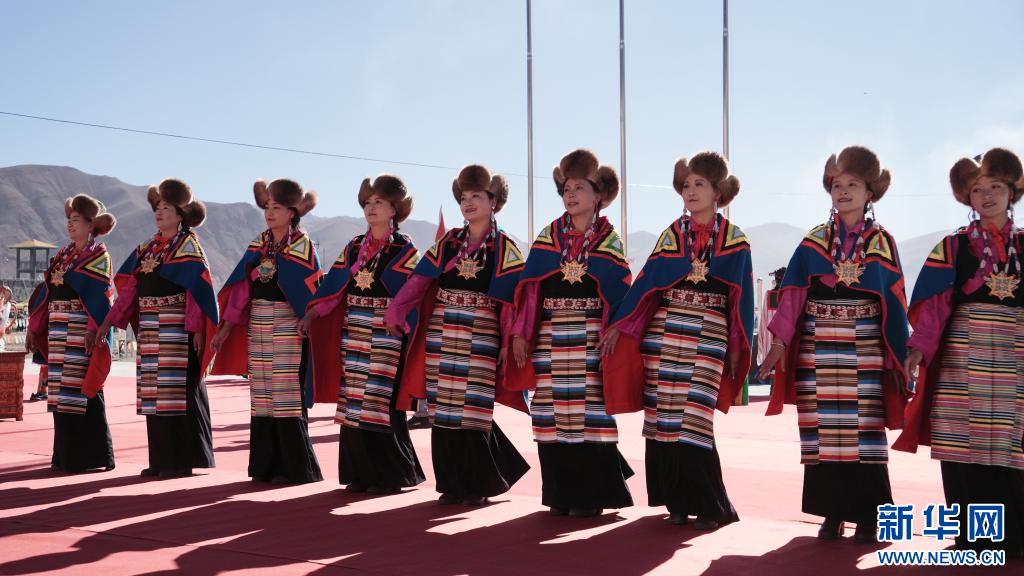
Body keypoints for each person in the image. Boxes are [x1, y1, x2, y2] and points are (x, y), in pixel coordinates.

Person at [758, 146, 909, 543]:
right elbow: (793, 294)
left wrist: (899, 355)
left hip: (865, 347)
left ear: (870, 192)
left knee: (864, 432)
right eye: (836, 184)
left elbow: (894, 302)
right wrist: (779, 344)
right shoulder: (814, 242)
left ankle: (870, 517)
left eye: (852, 184)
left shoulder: (882, 242)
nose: (842, 191)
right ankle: (832, 513)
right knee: (822, 431)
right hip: (817, 345)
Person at [603, 151, 753, 529]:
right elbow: (646, 285)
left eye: (699, 184)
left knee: (694, 418)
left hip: (709, 332)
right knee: (662, 416)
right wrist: (620, 325)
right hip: (664, 332)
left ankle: (712, 506)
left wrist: (738, 347)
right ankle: (677, 502)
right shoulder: (672, 234)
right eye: (686, 185)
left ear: (718, 191)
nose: (690, 191)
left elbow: (741, 299)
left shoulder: (735, 240)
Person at [895, 148, 1024, 558]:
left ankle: (1016, 536)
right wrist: (918, 349)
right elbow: (934, 307)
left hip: (1016, 356)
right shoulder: (952, 247)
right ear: (966, 197)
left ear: (1012, 192)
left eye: (995, 187)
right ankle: (974, 536)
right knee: (962, 442)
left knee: (1013, 442)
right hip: (961, 356)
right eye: (977, 190)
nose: (987, 196)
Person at [385, 164, 530, 507]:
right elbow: (419, 280)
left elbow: (510, 301)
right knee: (443, 409)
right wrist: (396, 311)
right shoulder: (449, 242)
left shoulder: (505, 247)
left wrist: (508, 340)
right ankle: (451, 484)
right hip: (442, 328)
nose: (468, 202)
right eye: (463, 197)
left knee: (473, 408)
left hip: (481, 331)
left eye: (476, 196)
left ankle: (478, 484)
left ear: (494, 201)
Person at [508, 148, 634, 518]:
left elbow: (619, 293)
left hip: (591, 336)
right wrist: (520, 333)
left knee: (589, 414)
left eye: (580, 187)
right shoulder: (549, 236)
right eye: (566, 189)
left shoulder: (610, 240)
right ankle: (560, 495)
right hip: (549, 335)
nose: (571, 194)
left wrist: (616, 329)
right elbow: (531, 289)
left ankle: (593, 496)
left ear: (599, 195)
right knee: (550, 414)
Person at [299, 174, 425, 494]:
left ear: (394, 209)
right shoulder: (355, 246)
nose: (371, 207)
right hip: (353, 327)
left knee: (378, 400)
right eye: (368, 202)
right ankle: (361, 473)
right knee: (353, 400)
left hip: (386, 331)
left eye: (379, 202)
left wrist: (400, 319)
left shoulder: (404, 249)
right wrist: (312, 314)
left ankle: (392, 475)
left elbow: (413, 292)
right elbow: (333, 288)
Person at [97, 178, 218, 478]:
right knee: (152, 393)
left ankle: (179, 461)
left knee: (174, 393)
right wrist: (108, 321)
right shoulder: (147, 248)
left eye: (166, 208)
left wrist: (197, 329)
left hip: (177, 327)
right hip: (150, 328)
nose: (159, 212)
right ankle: (160, 459)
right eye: (157, 208)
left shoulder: (189, 247)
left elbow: (196, 292)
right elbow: (130, 290)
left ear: (180, 215)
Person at [210, 178, 324, 484]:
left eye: (277, 207)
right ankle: (265, 467)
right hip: (258, 324)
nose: (269, 213)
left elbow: (311, 290)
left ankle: (296, 469)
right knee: (261, 395)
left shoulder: (302, 245)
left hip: (288, 324)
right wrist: (225, 328)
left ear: (291, 213)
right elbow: (240, 292)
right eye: (267, 207)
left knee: (286, 394)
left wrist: (308, 318)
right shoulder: (259, 244)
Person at [25, 194, 117, 473]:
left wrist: (93, 328)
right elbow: (46, 294)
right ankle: (66, 455)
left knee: (84, 387)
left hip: (80, 328)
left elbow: (100, 295)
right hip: (57, 329)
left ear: (91, 225)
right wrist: (34, 328)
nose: (70, 224)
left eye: (76, 219)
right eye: (69, 219)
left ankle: (94, 456)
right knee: (60, 392)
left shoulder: (99, 255)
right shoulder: (63, 255)